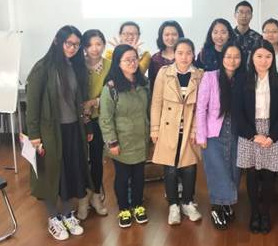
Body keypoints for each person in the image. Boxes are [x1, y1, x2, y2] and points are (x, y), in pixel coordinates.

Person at [25, 25, 92, 241]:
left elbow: (81, 102)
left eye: (76, 45)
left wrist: (87, 126)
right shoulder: (42, 68)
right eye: (68, 43)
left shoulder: (75, 66)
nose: (72, 48)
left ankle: (67, 213)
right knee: (51, 174)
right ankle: (53, 217)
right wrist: (34, 136)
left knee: (71, 172)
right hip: (49, 132)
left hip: (73, 129)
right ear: (57, 41)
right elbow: (32, 105)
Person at [234, 40, 278, 234]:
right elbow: (237, 110)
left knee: (269, 175)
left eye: (268, 56)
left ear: (273, 58)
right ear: (252, 58)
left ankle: (265, 214)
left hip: (271, 131)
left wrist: (272, 136)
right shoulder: (242, 79)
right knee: (252, 174)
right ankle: (254, 213)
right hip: (249, 131)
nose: (263, 60)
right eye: (259, 56)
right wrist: (252, 135)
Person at [150, 38, 204, 226]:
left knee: (189, 167)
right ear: (174, 54)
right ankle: (173, 204)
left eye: (188, 53)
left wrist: (196, 130)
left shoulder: (199, 75)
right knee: (170, 168)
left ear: (193, 54)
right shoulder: (164, 73)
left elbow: (201, 107)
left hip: (189, 128)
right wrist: (155, 129)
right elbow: (156, 102)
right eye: (180, 53)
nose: (184, 57)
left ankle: (188, 202)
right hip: (168, 128)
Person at [99, 44, 150, 228]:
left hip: (140, 138)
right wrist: (112, 142)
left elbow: (149, 110)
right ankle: (124, 209)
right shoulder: (111, 88)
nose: (132, 63)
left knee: (139, 176)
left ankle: (138, 205)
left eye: (134, 59)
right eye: (127, 60)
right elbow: (105, 118)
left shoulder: (143, 83)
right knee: (122, 176)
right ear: (118, 63)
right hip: (121, 141)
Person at [196, 44, 243, 230]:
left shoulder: (243, 78)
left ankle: (227, 203)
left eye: (236, 56)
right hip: (214, 130)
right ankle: (217, 206)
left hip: (237, 129)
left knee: (234, 169)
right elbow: (201, 108)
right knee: (217, 169)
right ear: (222, 58)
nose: (232, 60)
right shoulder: (210, 77)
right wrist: (201, 136)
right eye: (228, 56)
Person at [78, 29, 110, 220]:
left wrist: (94, 102)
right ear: (84, 47)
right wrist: (83, 109)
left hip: (100, 119)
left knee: (97, 159)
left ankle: (96, 197)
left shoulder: (110, 65)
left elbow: (113, 92)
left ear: (104, 45)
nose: (94, 48)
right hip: (78, 120)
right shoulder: (77, 65)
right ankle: (83, 199)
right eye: (90, 45)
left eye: (98, 44)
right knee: (81, 160)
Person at [149, 21, 184, 92]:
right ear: (161, 37)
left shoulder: (186, 57)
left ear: (179, 36)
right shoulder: (155, 59)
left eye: (174, 34)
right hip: (161, 97)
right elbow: (152, 84)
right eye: (167, 35)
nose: (170, 38)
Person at [233, 0, 262, 67]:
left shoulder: (258, 38)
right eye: (241, 12)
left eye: (247, 13)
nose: (244, 15)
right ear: (235, 15)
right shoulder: (228, 36)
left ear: (251, 16)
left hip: (251, 72)